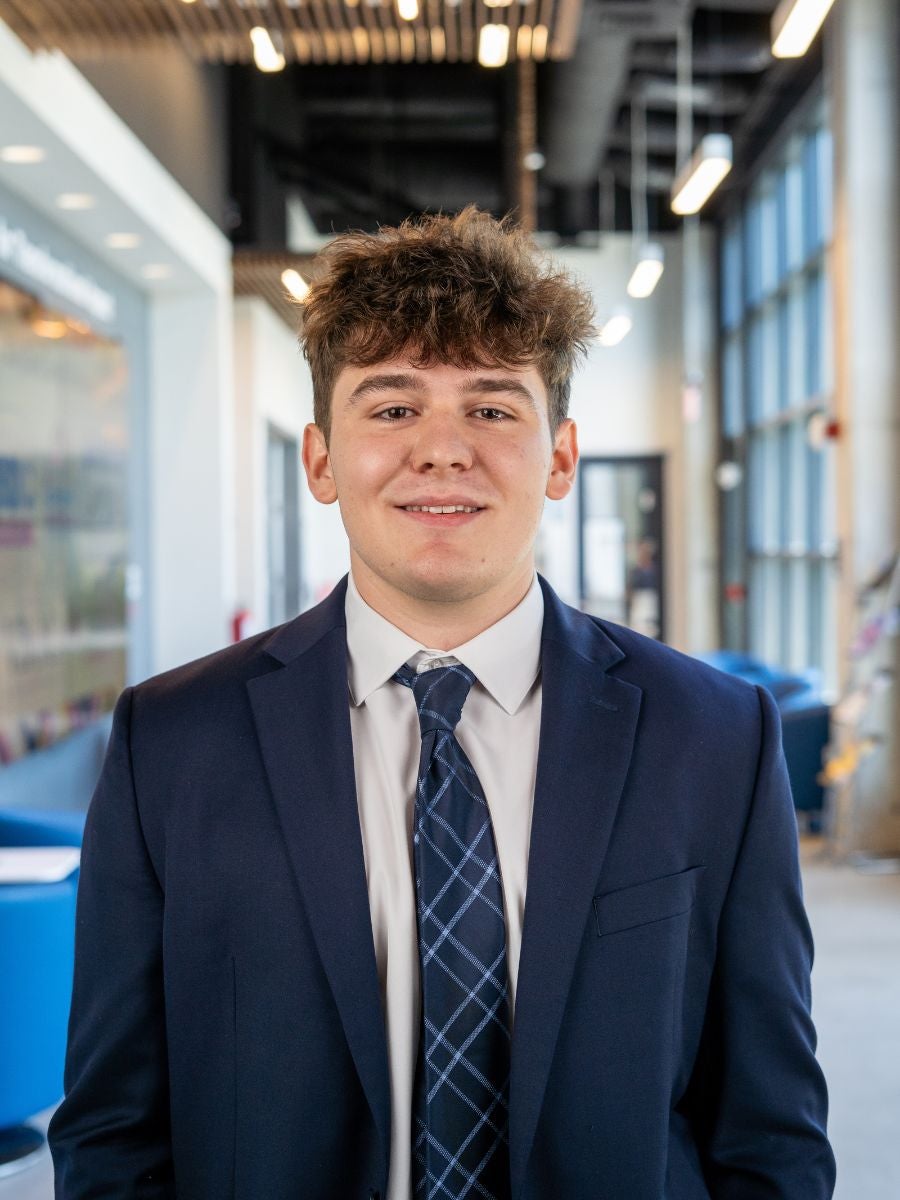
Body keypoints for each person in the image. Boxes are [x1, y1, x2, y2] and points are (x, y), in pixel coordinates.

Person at [49, 208, 835, 1200]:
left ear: (559, 458)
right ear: (322, 459)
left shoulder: (715, 738)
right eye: (391, 408)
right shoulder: (172, 742)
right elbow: (115, 1131)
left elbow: (769, 1139)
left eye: (494, 408)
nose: (443, 450)